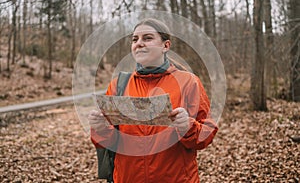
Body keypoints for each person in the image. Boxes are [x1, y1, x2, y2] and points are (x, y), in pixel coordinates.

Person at [88, 18, 218, 183]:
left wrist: (188, 126)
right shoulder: (118, 85)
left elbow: (206, 135)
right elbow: (111, 142)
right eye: (135, 39)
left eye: (147, 38)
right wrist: (100, 128)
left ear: (166, 46)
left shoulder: (188, 82)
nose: (139, 43)